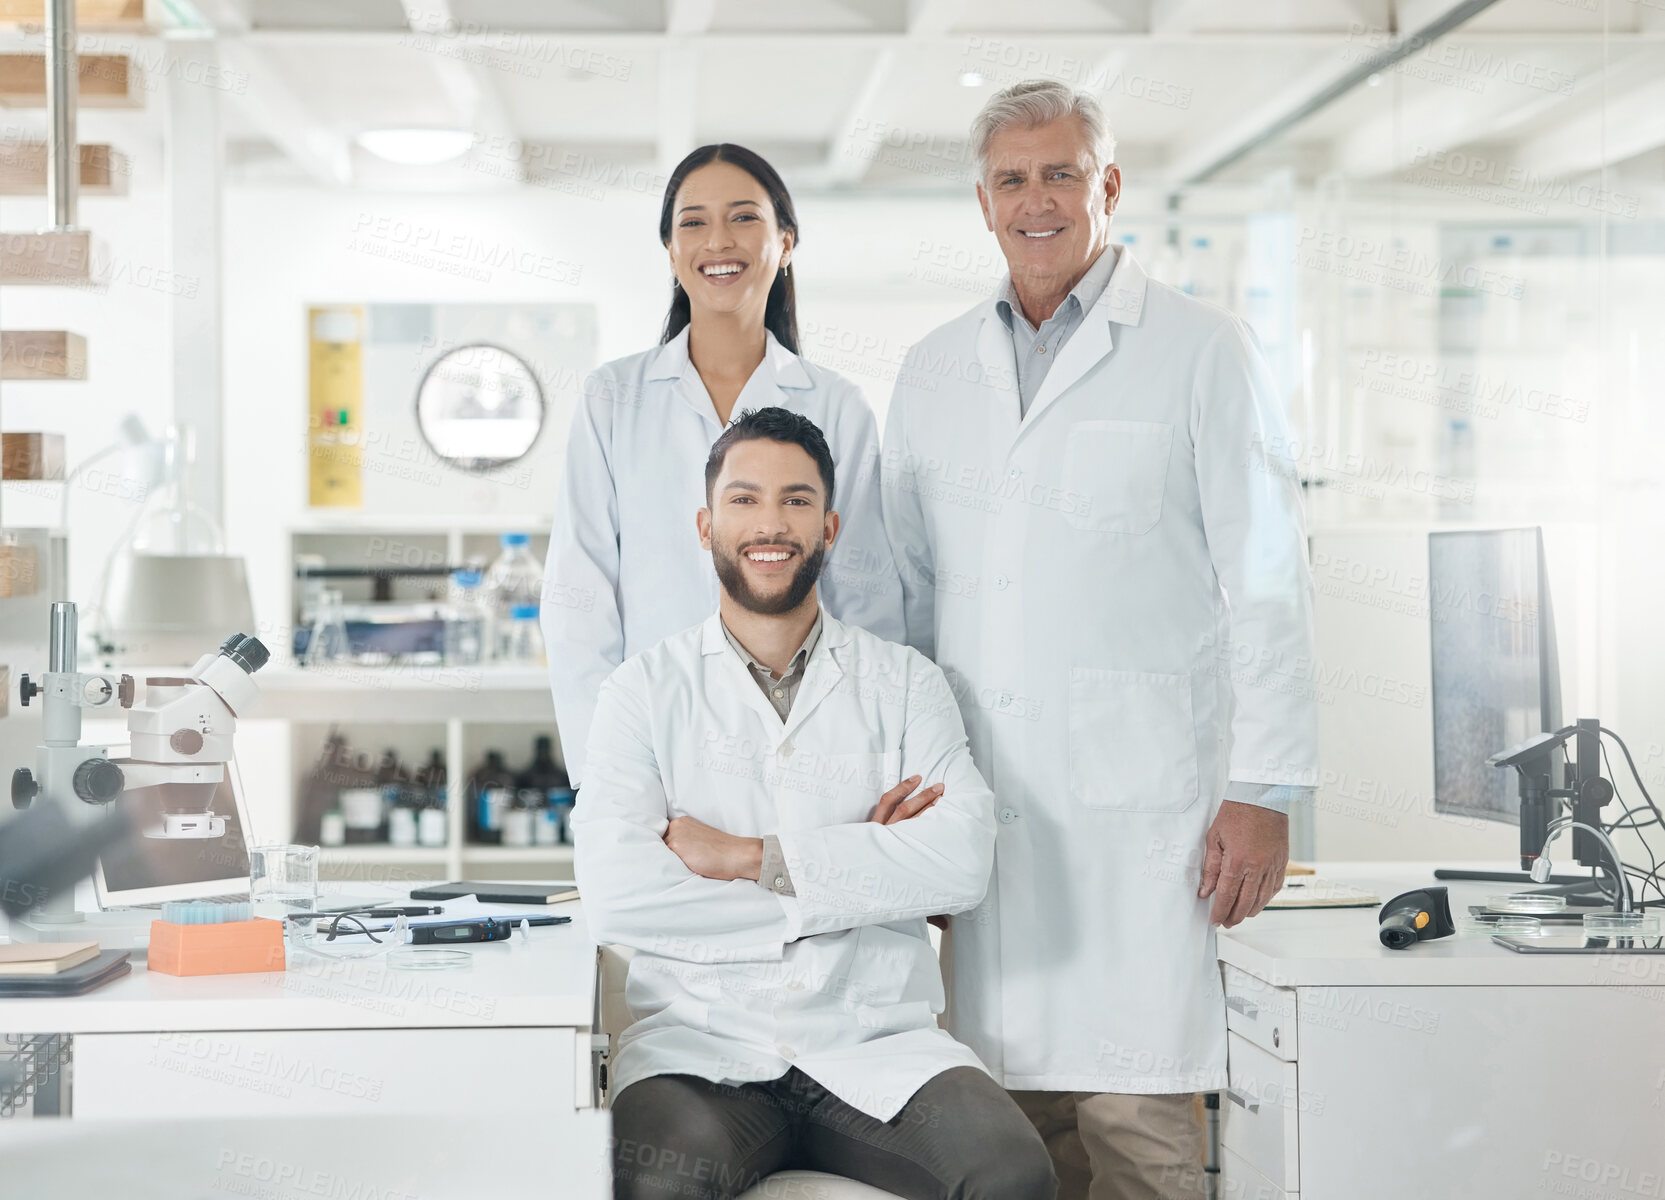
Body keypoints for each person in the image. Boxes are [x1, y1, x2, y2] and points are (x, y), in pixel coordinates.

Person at [880, 80, 1320, 1200]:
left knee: (1140, 1139)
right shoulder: (931, 372)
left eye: (1062, 173)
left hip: (1144, 830)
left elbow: (1266, 581)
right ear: (983, 204)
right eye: (1013, 180)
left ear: (1108, 187)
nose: (1039, 200)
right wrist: (907, 793)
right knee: (1003, 1147)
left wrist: (1264, 785)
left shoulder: (1201, 349)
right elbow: (909, 602)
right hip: (982, 815)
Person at [572, 407, 1056, 1200]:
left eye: (796, 501)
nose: (771, 523)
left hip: (874, 1044)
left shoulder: (904, 682)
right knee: (658, 1182)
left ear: (828, 525)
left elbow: (963, 863)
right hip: (699, 1050)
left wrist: (750, 860)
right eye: (745, 499)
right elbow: (620, 898)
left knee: (1012, 1174)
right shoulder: (641, 691)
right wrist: (857, 878)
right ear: (705, 524)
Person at [544, 144, 902, 786]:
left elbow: (867, 593)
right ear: (670, 250)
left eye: (743, 218)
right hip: (650, 740)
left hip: (805, 741)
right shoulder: (613, 399)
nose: (718, 241)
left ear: (786, 242)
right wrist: (608, 771)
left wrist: (875, 758)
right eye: (693, 221)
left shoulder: (835, 404)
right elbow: (580, 594)